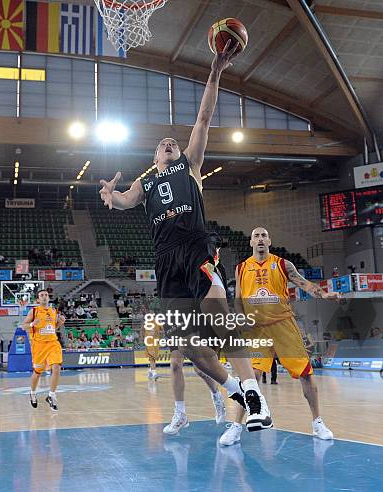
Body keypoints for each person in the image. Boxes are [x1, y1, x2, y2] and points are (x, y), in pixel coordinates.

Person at [99, 40, 271, 437]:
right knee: (188, 346)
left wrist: (215, 71)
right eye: (162, 144)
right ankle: (237, 393)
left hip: (196, 246)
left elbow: (205, 117)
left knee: (219, 316)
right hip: (165, 260)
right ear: (154, 155)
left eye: (171, 141)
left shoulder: (189, 165)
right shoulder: (146, 179)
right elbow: (125, 202)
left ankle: (255, 394)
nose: (167, 142)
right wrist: (110, 196)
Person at [219, 227, 337, 446]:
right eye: (256, 236)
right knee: (249, 378)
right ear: (251, 243)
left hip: (284, 325)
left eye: (264, 235)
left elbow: (304, 284)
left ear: (270, 241)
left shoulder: (284, 264)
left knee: (306, 374)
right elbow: (238, 298)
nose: (261, 238)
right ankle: (236, 426)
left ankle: (317, 422)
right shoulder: (242, 267)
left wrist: (325, 294)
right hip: (257, 329)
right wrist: (241, 318)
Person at [23, 289, 65, 411]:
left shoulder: (53, 311)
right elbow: (23, 326)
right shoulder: (34, 311)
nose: (44, 297)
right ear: (38, 299)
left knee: (56, 368)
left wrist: (60, 323)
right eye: (42, 295)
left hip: (53, 343)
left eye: (46, 295)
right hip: (39, 345)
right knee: (37, 372)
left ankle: (51, 395)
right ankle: (32, 392)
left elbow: (53, 328)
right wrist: (32, 324)